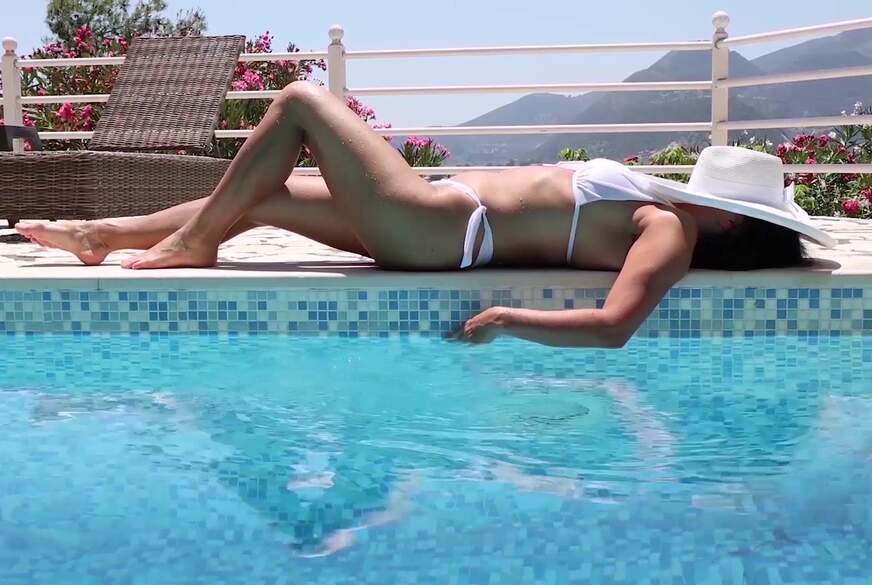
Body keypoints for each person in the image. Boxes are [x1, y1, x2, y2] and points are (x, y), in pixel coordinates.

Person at [15, 81, 834, 348]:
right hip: (437, 219)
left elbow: (617, 325)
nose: (693, 193)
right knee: (266, 193)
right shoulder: (664, 214)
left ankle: (193, 244)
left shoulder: (669, 230)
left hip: (441, 228)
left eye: (711, 194)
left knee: (298, 101)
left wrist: (510, 318)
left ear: (728, 220)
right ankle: (101, 235)